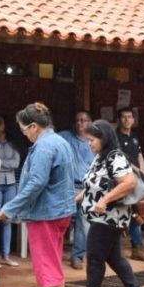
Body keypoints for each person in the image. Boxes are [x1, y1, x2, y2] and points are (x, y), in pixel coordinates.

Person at [0, 103, 75, 287]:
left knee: (47, 264)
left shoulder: (43, 147)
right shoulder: (61, 141)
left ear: (34, 126)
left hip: (45, 213)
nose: (24, 135)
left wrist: (8, 209)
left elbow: (36, 183)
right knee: (52, 260)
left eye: (24, 130)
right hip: (60, 211)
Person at [66, 120, 144, 287]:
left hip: (110, 217)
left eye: (93, 140)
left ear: (104, 139)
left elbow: (129, 182)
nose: (89, 143)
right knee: (114, 257)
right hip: (100, 216)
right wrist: (73, 202)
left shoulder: (115, 157)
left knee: (94, 257)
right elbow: (91, 186)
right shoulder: (100, 158)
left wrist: (105, 200)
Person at [115, 107, 144, 263]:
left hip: (137, 179)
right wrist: (137, 170)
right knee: (121, 212)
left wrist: (143, 170)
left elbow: (139, 155)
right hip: (123, 180)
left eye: (129, 117)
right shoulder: (116, 137)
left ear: (133, 119)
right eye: (124, 117)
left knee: (137, 213)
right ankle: (115, 250)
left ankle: (137, 248)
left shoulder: (135, 137)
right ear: (119, 120)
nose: (127, 120)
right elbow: (121, 159)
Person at [58, 110, 95, 270]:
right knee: (63, 221)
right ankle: (56, 254)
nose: (81, 123)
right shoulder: (65, 136)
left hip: (88, 187)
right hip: (69, 186)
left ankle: (77, 256)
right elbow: (49, 138)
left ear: (90, 123)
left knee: (84, 224)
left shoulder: (94, 142)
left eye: (84, 120)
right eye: (78, 120)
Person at [0, 114, 20, 267]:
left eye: (0, 122)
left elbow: (16, 163)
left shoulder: (13, 143)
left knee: (7, 219)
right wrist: (4, 165)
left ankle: (6, 255)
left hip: (10, 183)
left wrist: (1, 164)